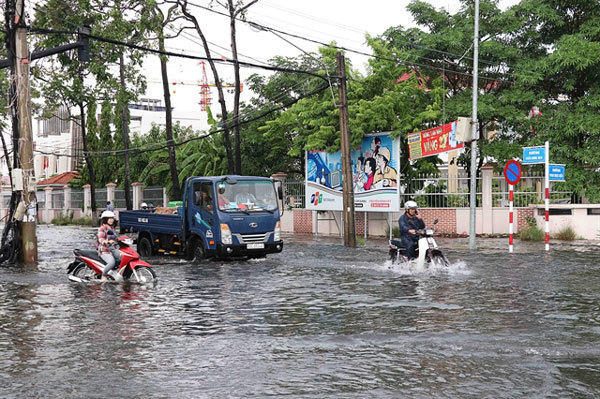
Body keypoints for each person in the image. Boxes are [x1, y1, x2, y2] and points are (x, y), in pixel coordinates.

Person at [97, 210, 121, 281]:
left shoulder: (112, 228)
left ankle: (114, 273)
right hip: (104, 251)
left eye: (112, 218)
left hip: (112, 249)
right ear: (105, 219)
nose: (111, 220)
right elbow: (100, 239)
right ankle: (103, 275)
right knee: (112, 262)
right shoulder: (102, 228)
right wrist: (107, 242)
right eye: (109, 218)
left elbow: (116, 238)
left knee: (120, 258)